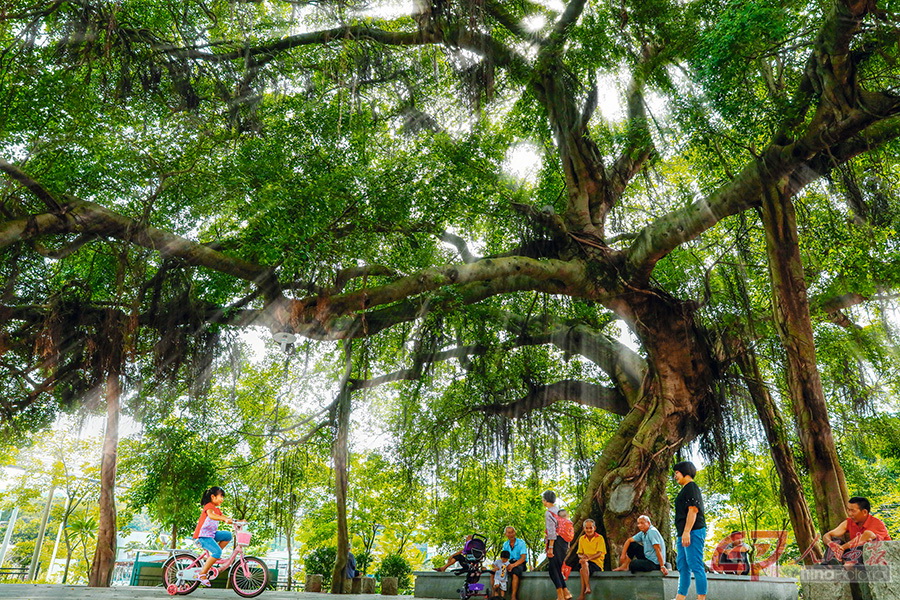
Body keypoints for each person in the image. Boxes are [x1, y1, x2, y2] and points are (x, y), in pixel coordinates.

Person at [822, 496, 892, 565]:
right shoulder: (849, 522)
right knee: (835, 540)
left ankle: (848, 565)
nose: (849, 514)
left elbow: (865, 537)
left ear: (864, 512)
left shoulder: (876, 523)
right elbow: (827, 535)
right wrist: (831, 544)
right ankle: (830, 563)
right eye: (848, 510)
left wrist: (841, 548)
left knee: (863, 545)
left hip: (878, 555)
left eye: (853, 511)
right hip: (854, 553)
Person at [673, 461, 706, 600]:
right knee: (683, 566)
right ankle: (680, 597)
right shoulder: (685, 489)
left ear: (685, 472)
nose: (675, 476)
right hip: (682, 533)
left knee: (695, 564)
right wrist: (683, 533)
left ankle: (701, 598)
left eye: (676, 473)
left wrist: (687, 532)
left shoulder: (692, 487)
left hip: (693, 531)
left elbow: (693, 510)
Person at [193, 486, 234, 587]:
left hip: (211, 535)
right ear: (213, 497)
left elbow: (225, 517)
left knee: (228, 535)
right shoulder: (209, 506)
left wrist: (237, 522)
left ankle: (215, 556)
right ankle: (202, 574)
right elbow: (211, 515)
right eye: (221, 496)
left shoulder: (217, 510)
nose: (222, 499)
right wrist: (223, 519)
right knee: (217, 552)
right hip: (202, 536)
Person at [543, 490, 571, 600]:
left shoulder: (549, 513)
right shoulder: (560, 510)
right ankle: (565, 592)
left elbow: (551, 532)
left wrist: (550, 548)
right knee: (556, 568)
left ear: (545, 500)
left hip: (555, 542)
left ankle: (561, 595)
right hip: (564, 542)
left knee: (554, 569)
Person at [575, 518, 606, 600]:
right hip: (585, 563)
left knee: (582, 569)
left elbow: (599, 553)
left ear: (594, 528)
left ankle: (582, 594)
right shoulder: (582, 539)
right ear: (584, 528)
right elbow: (579, 553)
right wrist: (582, 557)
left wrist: (587, 559)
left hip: (596, 564)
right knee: (583, 565)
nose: (588, 530)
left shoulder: (599, 538)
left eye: (590, 528)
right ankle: (587, 588)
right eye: (586, 528)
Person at [501, 526, 528, 600]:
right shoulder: (505, 544)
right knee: (497, 571)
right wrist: (506, 565)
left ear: (515, 533)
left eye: (512, 532)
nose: (511, 534)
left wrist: (513, 565)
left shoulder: (521, 543)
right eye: (509, 533)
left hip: (520, 563)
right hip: (509, 563)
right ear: (506, 534)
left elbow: (523, 558)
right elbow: (504, 558)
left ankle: (513, 596)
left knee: (515, 572)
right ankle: (496, 595)